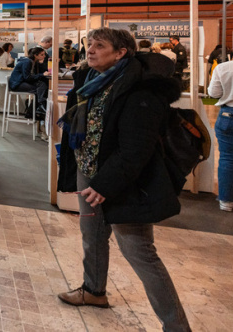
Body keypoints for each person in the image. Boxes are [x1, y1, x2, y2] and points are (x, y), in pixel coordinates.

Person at [56, 28, 191, 331]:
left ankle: (177, 327)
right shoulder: (89, 81)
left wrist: (106, 185)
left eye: (99, 46)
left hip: (126, 182)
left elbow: (137, 148)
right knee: (91, 235)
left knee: (138, 251)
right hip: (89, 172)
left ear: (121, 53)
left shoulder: (141, 88)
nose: (90, 50)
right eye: (89, 44)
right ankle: (93, 291)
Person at [207, 59, 233, 212]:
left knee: (227, 158)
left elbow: (213, 93)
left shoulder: (223, 68)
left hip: (228, 115)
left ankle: (227, 201)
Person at [8, 46, 50, 120]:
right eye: (42, 55)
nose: (44, 56)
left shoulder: (33, 62)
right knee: (40, 89)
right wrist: (42, 75)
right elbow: (27, 77)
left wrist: (41, 65)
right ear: (35, 55)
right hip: (17, 84)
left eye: (44, 54)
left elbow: (37, 74)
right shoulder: (27, 62)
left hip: (21, 82)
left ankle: (32, 111)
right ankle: (37, 108)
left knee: (42, 86)